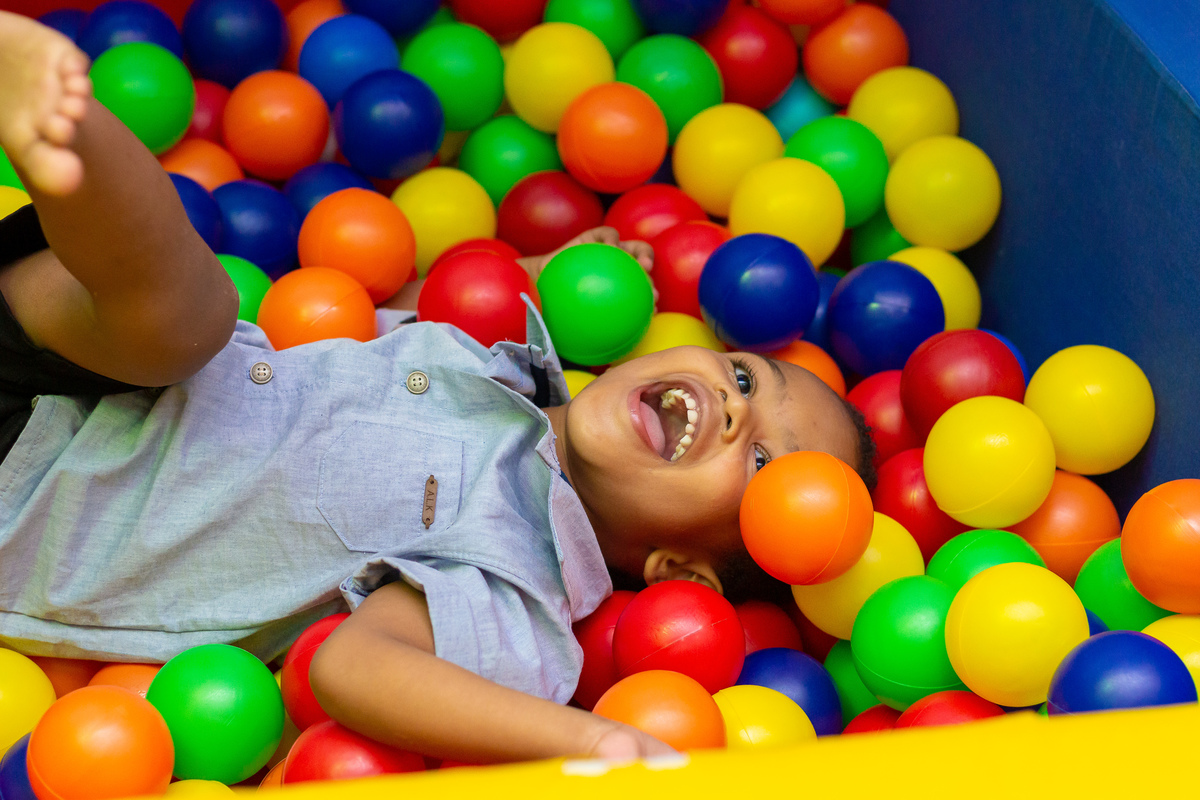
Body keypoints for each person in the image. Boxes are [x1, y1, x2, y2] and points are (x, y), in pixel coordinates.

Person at [0, 11, 874, 766]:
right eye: (743, 375)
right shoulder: (491, 360)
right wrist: (543, 269)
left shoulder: (522, 587)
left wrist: (595, 744)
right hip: (74, 352)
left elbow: (354, 669)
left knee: (186, 324)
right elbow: (368, 320)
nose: (735, 405)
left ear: (679, 570)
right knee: (190, 325)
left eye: (765, 461)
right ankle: (47, 107)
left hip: (31, 494)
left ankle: (56, 116)